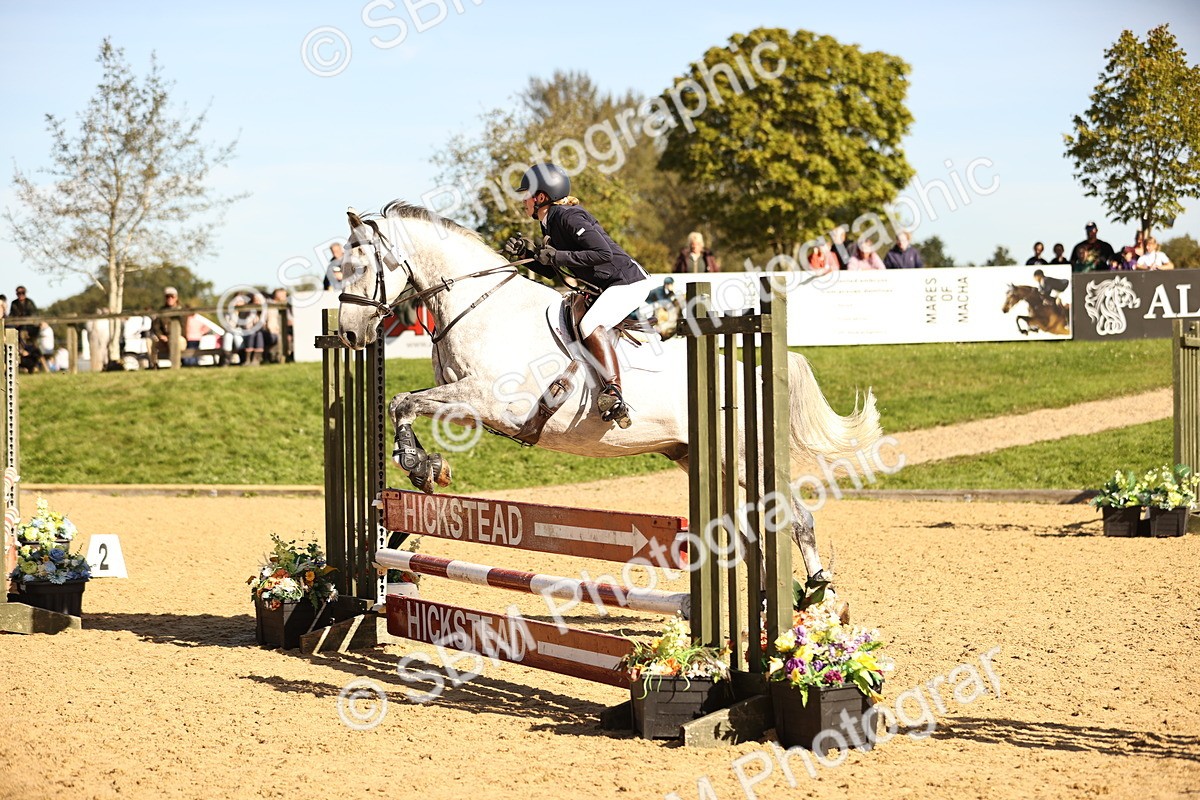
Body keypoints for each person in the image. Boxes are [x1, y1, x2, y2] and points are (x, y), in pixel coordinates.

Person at [503, 162, 653, 429]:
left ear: (541, 197)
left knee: (588, 324)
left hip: (627, 282)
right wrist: (525, 254)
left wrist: (558, 255)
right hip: (609, 284)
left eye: (526, 194)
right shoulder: (549, 223)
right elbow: (550, 271)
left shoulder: (569, 216)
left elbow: (603, 254)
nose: (523, 200)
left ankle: (614, 392)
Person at [149, 286, 186, 368]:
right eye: (167, 297)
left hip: (178, 338)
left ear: (176, 297)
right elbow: (156, 326)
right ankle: (153, 365)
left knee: (175, 340)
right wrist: (160, 335)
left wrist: (170, 337)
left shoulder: (181, 310)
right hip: (164, 339)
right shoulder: (161, 311)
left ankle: (176, 365)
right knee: (150, 341)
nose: (169, 299)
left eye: (172, 296)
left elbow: (184, 328)